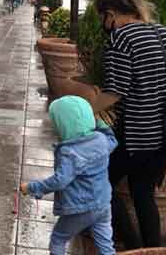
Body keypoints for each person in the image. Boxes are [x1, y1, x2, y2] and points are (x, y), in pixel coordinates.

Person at [94, 0, 166, 249]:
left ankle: (132, 244)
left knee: (99, 181)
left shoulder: (122, 38)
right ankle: (150, 249)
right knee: (143, 194)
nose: (105, 25)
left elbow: (114, 92)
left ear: (111, 14)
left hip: (136, 135)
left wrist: (86, 110)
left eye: (103, 19)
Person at [20, 96, 118, 255]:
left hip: (80, 208)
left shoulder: (69, 152)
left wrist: (32, 187)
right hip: (103, 204)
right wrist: (99, 123)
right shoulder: (101, 140)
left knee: (58, 239)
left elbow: (60, 181)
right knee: (106, 245)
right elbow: (112, 140)